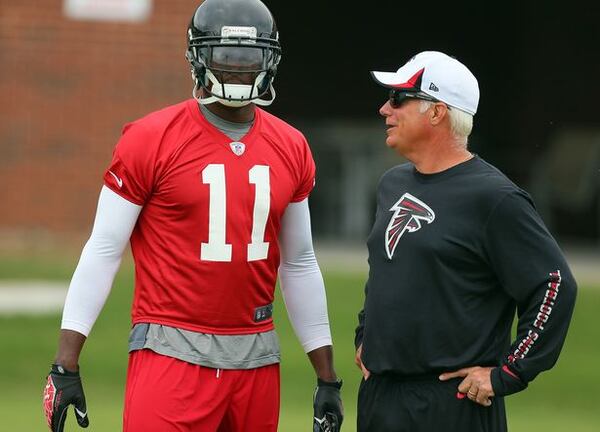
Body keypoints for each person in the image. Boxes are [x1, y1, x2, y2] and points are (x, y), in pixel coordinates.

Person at [42, 1, 344, 431]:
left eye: (250, 58)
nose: (238, 70)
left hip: (257, 356)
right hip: (170, 350)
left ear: (270, 60)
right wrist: (65, 361)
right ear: (199, 58)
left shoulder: (292, 146)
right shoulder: (149, 138)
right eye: (225, 56)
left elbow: (299, 262)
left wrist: (326, 376)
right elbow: (104, 248)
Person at [354, 50, 577, 432]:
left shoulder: (495, 199)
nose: (384, 110)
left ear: (437, 112)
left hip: (452, 406)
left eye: (397, 99)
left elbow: (554, 284)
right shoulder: (392, 184)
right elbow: (387, 269)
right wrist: (365, 336)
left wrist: (509, 371)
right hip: (380, 399)